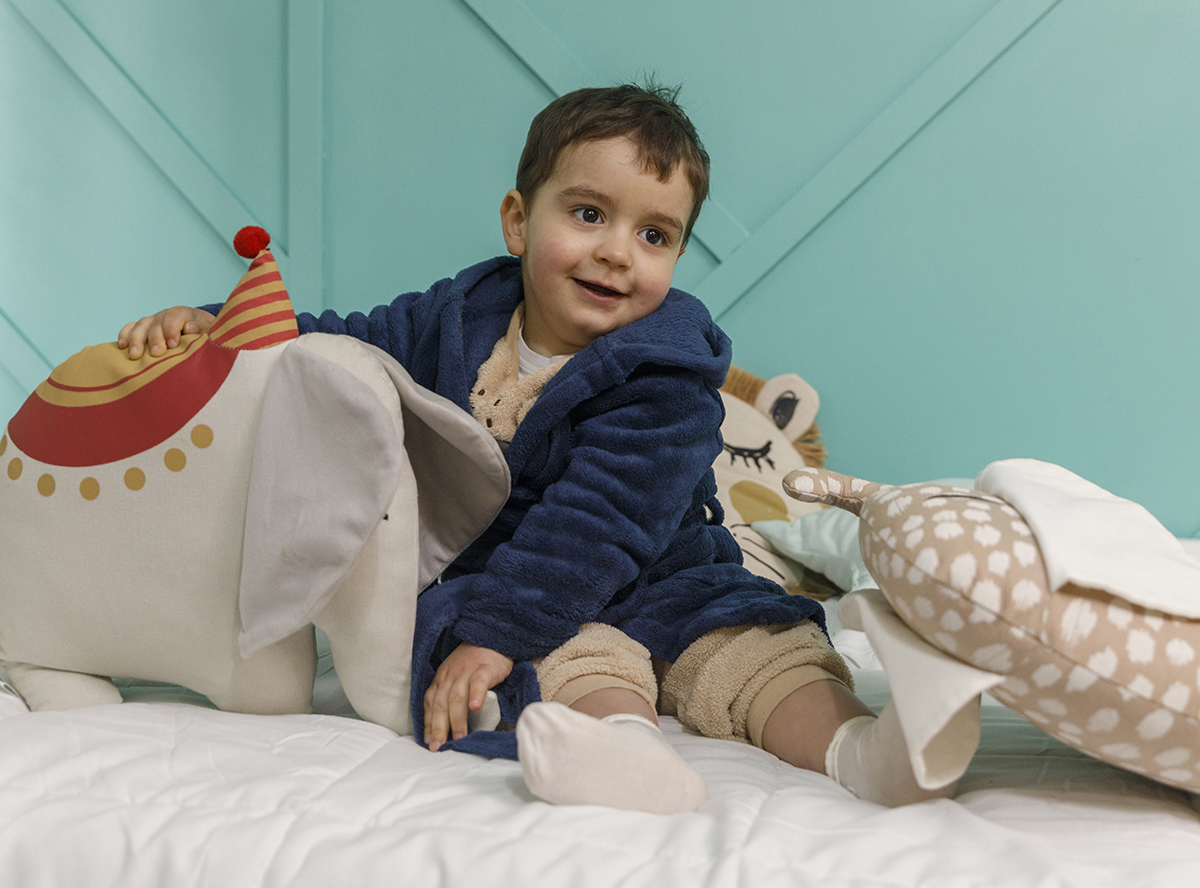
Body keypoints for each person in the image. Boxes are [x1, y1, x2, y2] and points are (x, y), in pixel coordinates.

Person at [119, 83, 952, 814]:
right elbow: (343, 351)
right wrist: (227, 329)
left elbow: (601, 519)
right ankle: (629, 752)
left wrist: (494, 632)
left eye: (655, 235)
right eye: (589, 214)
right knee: (578, 664)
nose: (618, 251)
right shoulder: (457, 315)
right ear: (520, 221)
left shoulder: (668, 372)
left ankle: (869, 754)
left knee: (756, 653)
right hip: (524, 584)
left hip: (664, 569)